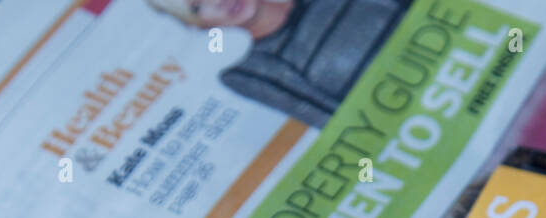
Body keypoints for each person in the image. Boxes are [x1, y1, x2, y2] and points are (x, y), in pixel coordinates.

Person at [147, 0, 411, 127]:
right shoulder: (252, 74)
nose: (218, 2)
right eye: (197, 7)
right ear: (201, 26)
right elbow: (350, 129)